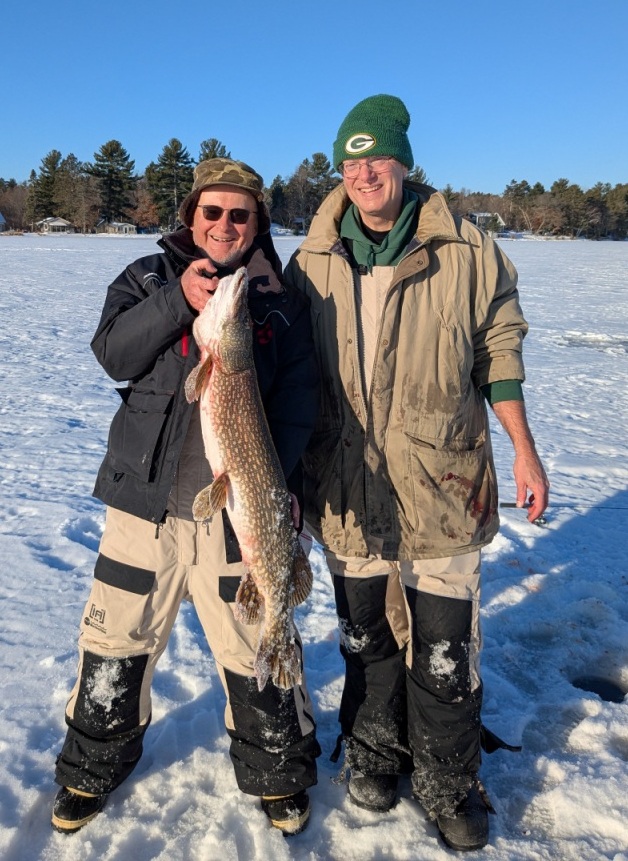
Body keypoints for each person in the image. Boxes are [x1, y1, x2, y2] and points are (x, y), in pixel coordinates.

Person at [284, 95, 549, 852]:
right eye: (351, 161)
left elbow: (499, 349)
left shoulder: (468, 250)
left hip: (445, 479)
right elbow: (288, 372)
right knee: (365, 635)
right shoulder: (310, 261)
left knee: (443, 647)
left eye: (377, 158)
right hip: (345, 481)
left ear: (403, 163)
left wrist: (524, 447)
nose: (363, 174)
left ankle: (447, 777)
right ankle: (373, 748)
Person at [52, 158, 321, 836]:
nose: (225, 225)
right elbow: (113, 353)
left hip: (234, 510)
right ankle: (89, 770)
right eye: (212, 211)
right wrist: (180, 300)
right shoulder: (146, 278)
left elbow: (298, 407)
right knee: (116, 638)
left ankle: (279, 772)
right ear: (191, 216)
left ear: (257, 223)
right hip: (144, 505)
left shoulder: (280, 304)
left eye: (240, 214)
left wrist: (279, 486)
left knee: (253, 637)